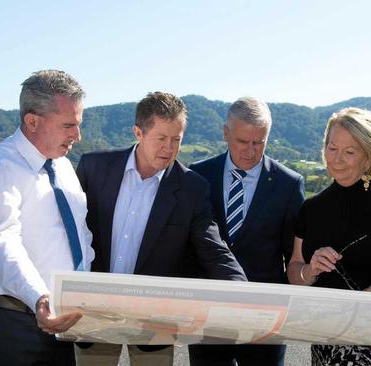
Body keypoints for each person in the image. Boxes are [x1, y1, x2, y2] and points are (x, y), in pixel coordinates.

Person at [75, 91, 247, 366]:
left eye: (176, 140)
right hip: (95, 315)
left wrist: (244, 292)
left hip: (154, 326)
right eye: (161, 138)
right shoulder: (94, 168)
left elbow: (213, 249)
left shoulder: (193, 188)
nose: (169, 148)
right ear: (138, 132)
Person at [0, 70, 94, 366]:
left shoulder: (63, 167)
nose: (78, 136)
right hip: (11, 323)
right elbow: (3, 241)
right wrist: (40, 298)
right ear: (32, 121)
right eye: (68, 126)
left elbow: (80, 238)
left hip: (56, 321)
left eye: (78, 124)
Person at [287, 107, 371, 365]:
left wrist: (354, 313)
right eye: (332, 149)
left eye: (350, 152)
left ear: (368, 157)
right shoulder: (311, 208)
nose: (337, 159)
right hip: (327, 336)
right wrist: (310, 270)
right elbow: (294, 271)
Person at [187, 97, 305, 366]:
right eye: (243, 141)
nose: (251, 151)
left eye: (259, 143)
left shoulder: (288, 184)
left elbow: (293, 255)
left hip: (265, 316)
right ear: (225, 133)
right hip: (208, 313)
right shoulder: (198, 175)